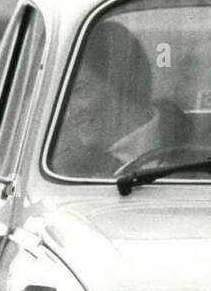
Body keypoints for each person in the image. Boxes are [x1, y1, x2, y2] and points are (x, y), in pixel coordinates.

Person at [50, 18, 190, 178]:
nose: (69, 113)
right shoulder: (63, 171)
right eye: (64, 96)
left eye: (80, 90)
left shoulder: (198, 140)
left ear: (121, 83)